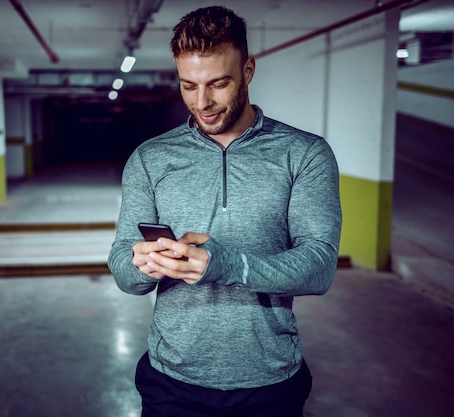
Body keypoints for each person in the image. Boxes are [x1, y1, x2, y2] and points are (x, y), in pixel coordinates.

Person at [107, 5, 342, 417]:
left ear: (248, 71)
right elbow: (126, 275)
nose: (203, 103)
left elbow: (319, 267)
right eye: (188, 86)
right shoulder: (150, 158)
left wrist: (228, 265)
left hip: (269, 382)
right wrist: (141, 263)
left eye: (219, 84)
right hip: (171, 381)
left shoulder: (304, 154)